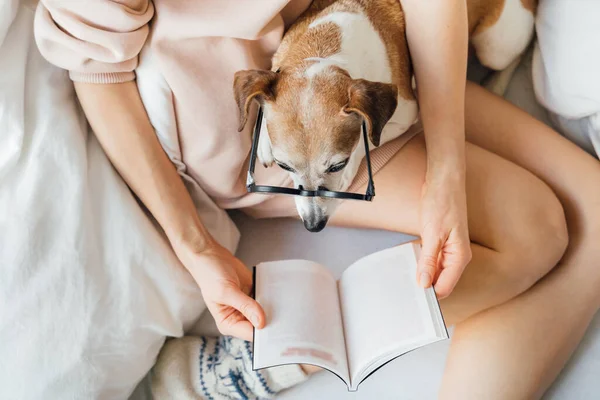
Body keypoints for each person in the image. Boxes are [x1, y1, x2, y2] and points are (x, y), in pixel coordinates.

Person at [34, 0, 600, 399]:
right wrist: (194, 245)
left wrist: (447, 170)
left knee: (592, 208)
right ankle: (269, 358)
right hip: (266, 130)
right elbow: (98, 69)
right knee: (537, 230)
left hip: (365, 53)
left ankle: (282, 350)